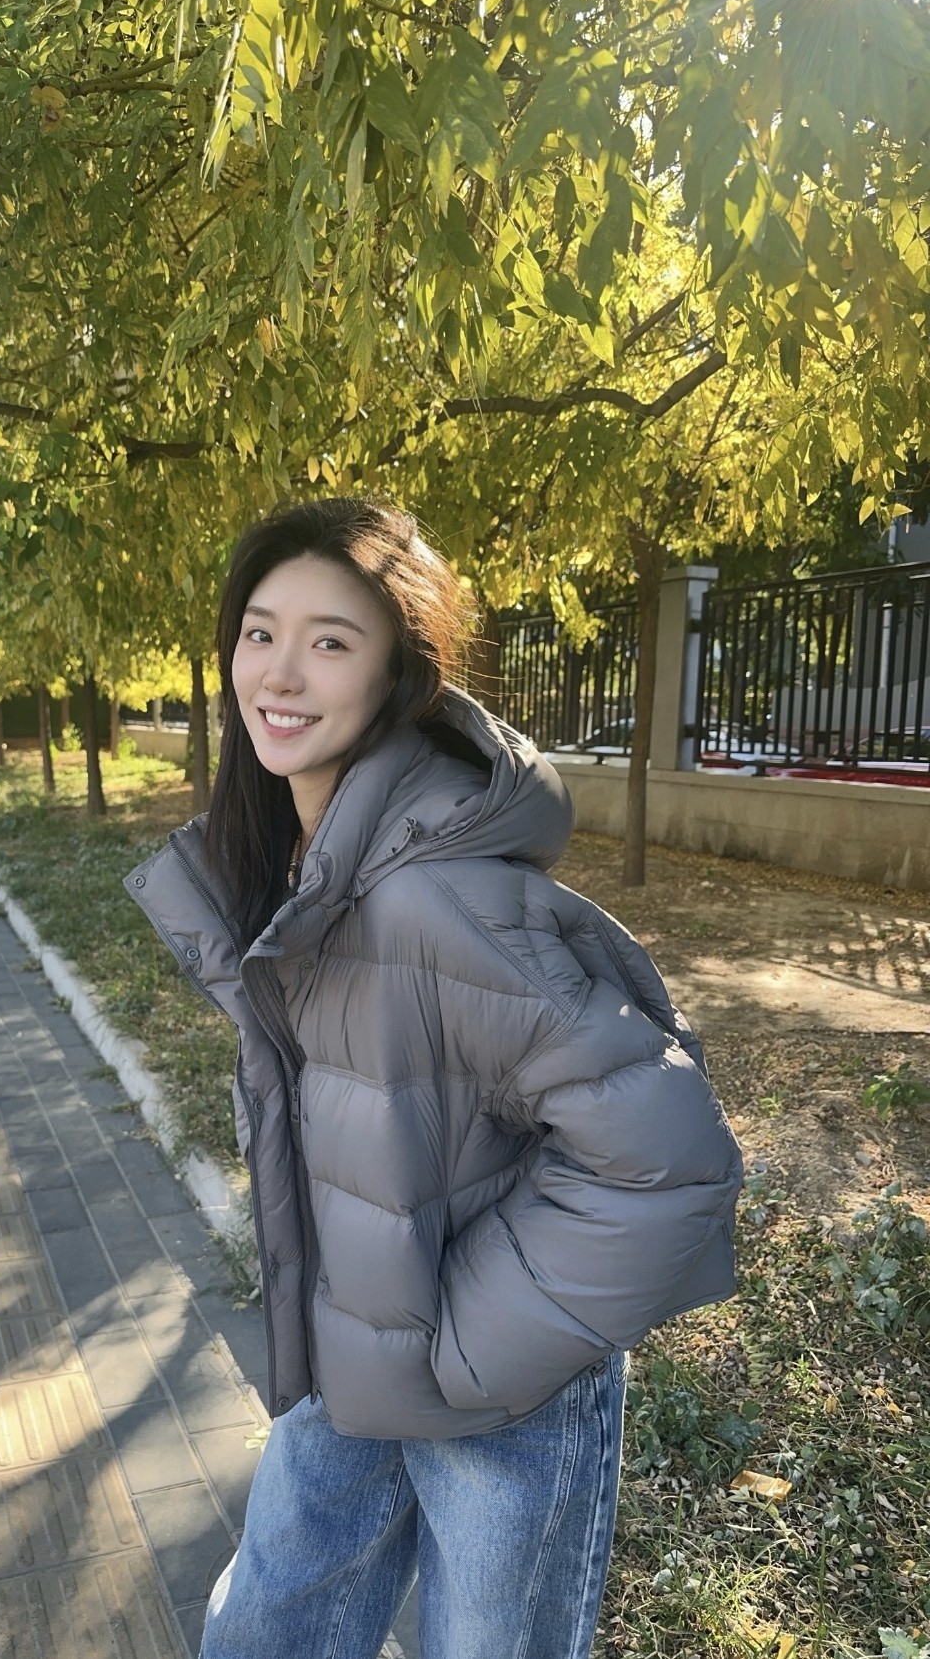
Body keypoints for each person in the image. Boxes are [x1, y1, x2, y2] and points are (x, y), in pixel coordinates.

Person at [126, 498, 743, 1659]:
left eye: (330, 639)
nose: (280, 671)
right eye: (259, 632)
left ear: (398, 672)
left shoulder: (434, 894)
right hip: (347, 1359)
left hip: (493, 1394)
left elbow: (668, 1161)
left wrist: (464, 1345)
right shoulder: (301, 868)